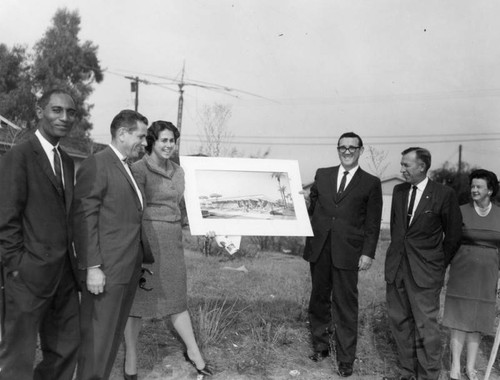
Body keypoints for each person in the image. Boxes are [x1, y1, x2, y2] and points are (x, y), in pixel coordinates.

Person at [0, 89, 80, 379]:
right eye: (56, 110)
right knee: (18, 356)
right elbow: (6, 219)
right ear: (40, 110)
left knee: (67, 347)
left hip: (64, 275)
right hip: (27, 274)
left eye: (70, 112)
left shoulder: (68, 161)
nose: (64, 118)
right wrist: (16, 266)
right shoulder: (19, 156)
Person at [123, 120, 212, 379]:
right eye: (163, 140)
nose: (168, 145)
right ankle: (131, 356)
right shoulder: (138, 170)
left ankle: (194, 352)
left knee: (176, 298)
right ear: (152, 141)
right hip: (146, 242)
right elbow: (132, 210)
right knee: (137, 303)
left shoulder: (179, 172)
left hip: (173, 241)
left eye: (172, 140)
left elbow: (189, 207)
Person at [72, 109, 148, 380]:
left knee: (111, 341)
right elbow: (84, 217)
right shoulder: (98, 163)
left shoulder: (127, 168)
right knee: (96, 343)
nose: (144, 142)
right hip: (105, 272)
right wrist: (92, 266)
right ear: (122, 134)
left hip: (125, 272)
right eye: (141, 136)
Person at [303, 132, 383, 377]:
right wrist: (300, 202)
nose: (347, 152)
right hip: (320, 247)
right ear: (337, 149)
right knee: (318, 299)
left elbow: (373, 223)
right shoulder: (322, 174)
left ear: (361, 150)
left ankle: (346, 359)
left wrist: (367, 253)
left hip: (349, 252)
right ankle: (321, 346)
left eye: (352, 148)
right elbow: (312, 208)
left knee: (346, 305)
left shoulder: (371, 182)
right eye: (343, 147)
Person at [383, 147, 462, 380]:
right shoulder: (398, 191)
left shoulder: (443, 194)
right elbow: (399, 232)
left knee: (426, 326)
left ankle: (428, 375)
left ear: (422, 167)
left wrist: (438, 264)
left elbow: (454, 236)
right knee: (400, 322)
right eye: (402, 164)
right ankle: (407, 372)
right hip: (397, 268)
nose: (402, 169)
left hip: (426, 272)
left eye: (406, 165)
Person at [442, 169, 500, 380]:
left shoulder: (499, 214)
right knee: (458, 320)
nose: (474, 190)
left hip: (488, 275)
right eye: (472, 186)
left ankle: (471, 367)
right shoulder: (460, 211)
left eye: (479, 187)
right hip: (462, 271)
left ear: (490, 191)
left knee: (477, 321)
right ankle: (455, 367)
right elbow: (449, 241)